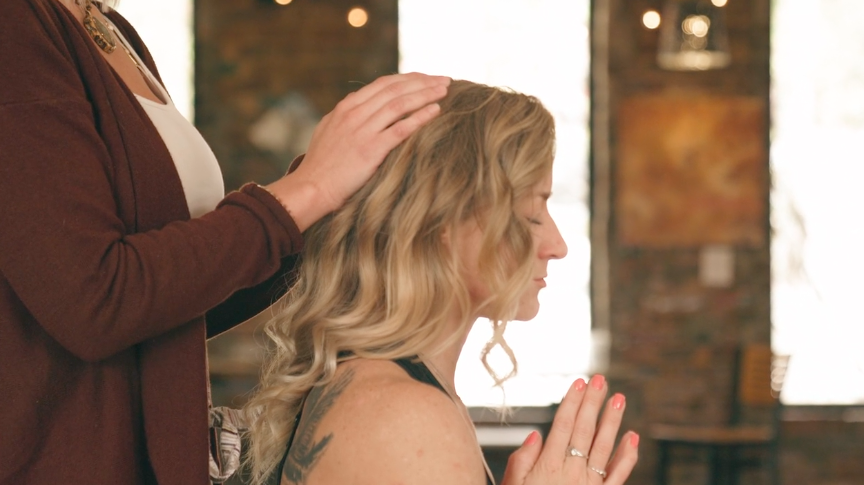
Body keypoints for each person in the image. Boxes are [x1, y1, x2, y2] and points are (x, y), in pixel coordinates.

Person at [0, 0, 450, 483]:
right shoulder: (16, 24)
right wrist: (307, 191)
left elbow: (165, 306)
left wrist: (323, 209)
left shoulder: (108, 29)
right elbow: (96, 299)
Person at [245, 81, 640, 485]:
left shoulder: (391, 390)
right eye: (532, 215)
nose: (557, 246)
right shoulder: (405, 417)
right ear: (441, 222)